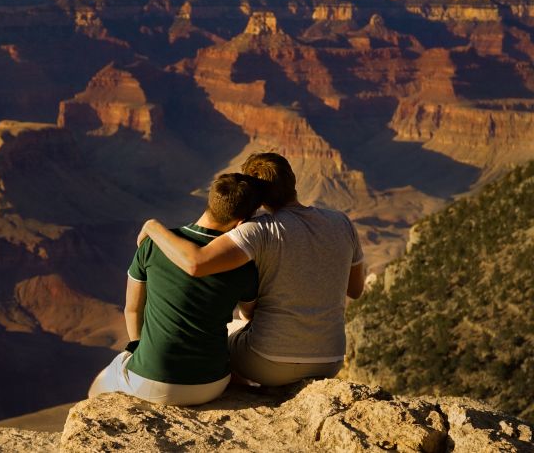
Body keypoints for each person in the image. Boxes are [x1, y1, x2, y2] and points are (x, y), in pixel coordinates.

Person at [138, 153, 365, 387]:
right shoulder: (342, 222)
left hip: (268, 363)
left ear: (254, 196)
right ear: (293, 180)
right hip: (330, 361)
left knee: (223, 337)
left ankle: (242, 391)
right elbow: (356, 290)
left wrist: (153, 227)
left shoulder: (258, 230)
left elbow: (196, 262)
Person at [88, 173, 263, 405]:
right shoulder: (243, 264)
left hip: (150, 382)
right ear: (241, 223)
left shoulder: (153, 244)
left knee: (95, 391)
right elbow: (250, 315)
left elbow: (132, 309)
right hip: (212, 385)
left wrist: (140, 351)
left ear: (210, 202)